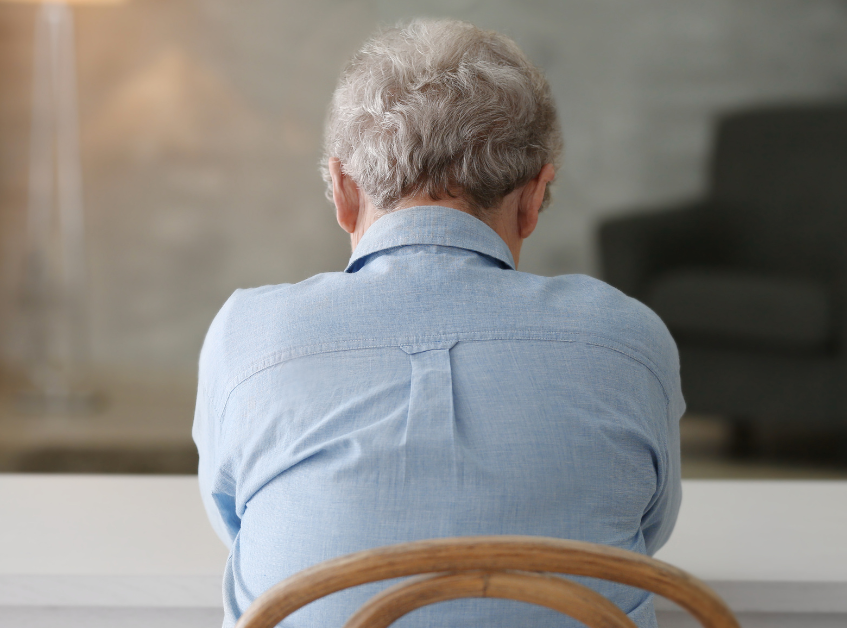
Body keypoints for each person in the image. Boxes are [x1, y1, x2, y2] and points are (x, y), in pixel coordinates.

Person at [193, 19, 683, 628]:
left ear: (344, 191)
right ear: (533, 200)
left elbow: (238, 522)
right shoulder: (630, 339)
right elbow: (646, 532)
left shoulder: (247, 333)